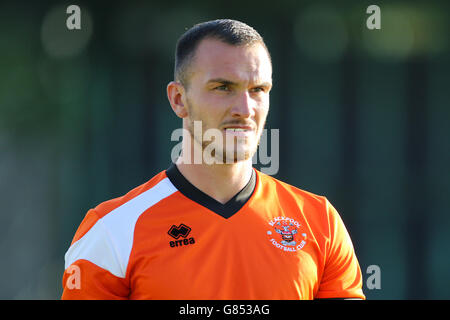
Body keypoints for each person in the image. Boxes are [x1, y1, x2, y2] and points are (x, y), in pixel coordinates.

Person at [61, 19, 365, 300]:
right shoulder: (113, 230)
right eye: (223, 88)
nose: (245, 109)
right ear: (179, 99)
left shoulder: (320, 222)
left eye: (258, 89)